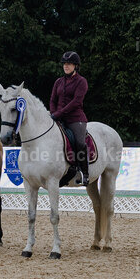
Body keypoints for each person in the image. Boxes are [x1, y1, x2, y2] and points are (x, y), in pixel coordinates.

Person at [49, 51, 90, 185]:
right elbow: (53, 99)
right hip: (58, 117)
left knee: (79, 142)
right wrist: (53, 114)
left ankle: (84, 172)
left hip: (76, 118)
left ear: (75, 66)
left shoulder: (81, 81)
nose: (66, 66)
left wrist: (58, 114)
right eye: (65, 64)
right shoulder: (58, 82)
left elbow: (76, 102)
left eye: (69, 64)